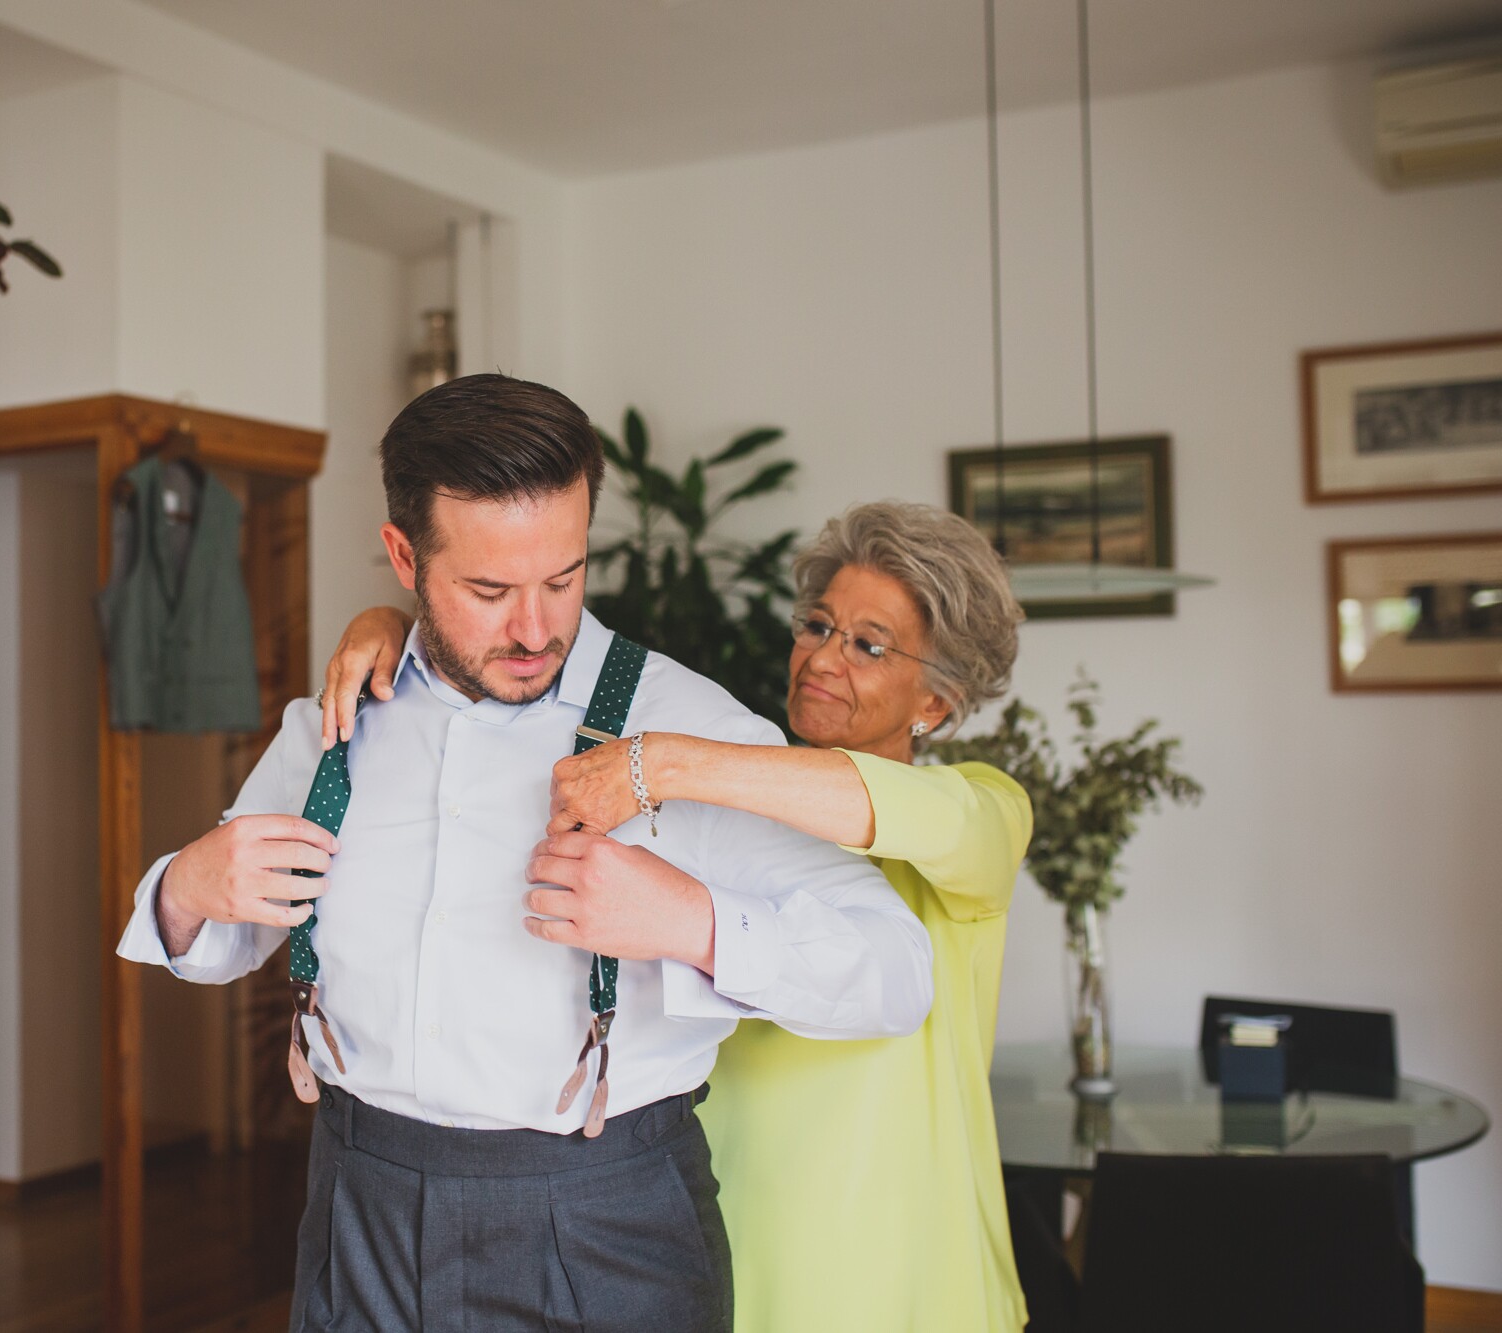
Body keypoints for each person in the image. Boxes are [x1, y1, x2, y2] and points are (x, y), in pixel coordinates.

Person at [119, 376, 934, 1333]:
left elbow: (896, 969)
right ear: (402, 556)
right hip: (358, 1208)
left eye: (564, 578)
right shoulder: (334, 728)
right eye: (490, 590)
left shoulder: (690, 729)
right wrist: (186, 884)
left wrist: (694, 923)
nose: (537, 628)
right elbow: (214, 939)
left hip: (605, 1221)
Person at [322, 499, 1031, 1331]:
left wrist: (660, 758)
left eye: (867, 644)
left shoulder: (982, 812)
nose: (822, 659)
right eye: (817, 625)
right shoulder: (720, 802)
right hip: (703, 1231)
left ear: (936, 704)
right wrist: (390, 630)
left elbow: (881, 813)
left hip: (893, 1264)